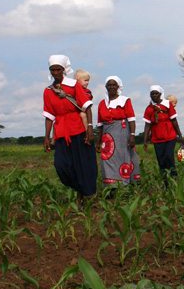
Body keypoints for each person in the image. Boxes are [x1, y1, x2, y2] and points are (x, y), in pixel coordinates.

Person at [43, 55, 97, 207]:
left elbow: (87, 106)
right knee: (61, 165)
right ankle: (80, 190)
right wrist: (47, 137)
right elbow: (48, 115)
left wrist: (90, 128)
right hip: (61, 131)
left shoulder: (73, 85)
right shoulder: (48, 91)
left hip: (78, 129)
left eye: (58, 70)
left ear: (63, 70)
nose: (55, 73)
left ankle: (81, 196)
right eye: (52, 70)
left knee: (81, 165)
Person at [96, 76, 140, 190]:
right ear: (106, 87)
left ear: (118, 87)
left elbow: (131, 119)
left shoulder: (125, 100)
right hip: (107, 136)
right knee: (107, 159)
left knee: (123, 157)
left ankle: (125, 185)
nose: (111, 87)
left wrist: (132, 136)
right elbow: (100, 125)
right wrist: (98, 141)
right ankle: (111, 186)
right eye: (109, 85)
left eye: (114, 85)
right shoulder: (102, 103)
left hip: (122, 133)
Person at [143, 85, 184, 184]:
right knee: (161, 159)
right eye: (152, 94)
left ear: (160, 95)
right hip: (157, 138)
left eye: (156, 93)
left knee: (168, 155)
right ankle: (165, 179)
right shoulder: (149, 109)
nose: (154, 96)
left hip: (170, 136)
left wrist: (179, 134)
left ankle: (173, 174)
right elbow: (147, 125)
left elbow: (174, 120)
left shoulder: (167, 105)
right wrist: (145, 140)